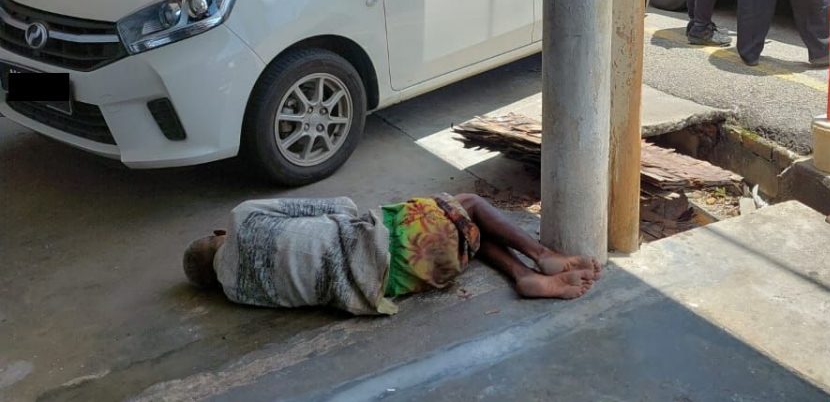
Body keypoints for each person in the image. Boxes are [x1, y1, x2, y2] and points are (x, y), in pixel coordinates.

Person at [183, 192, 600, 315]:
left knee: (463, 230)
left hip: (397, 282)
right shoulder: (242, 218)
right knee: (467, 204)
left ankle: (523, 276)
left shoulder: (238, 293)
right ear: (219, 234)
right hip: (393, 242)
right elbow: (336, 206)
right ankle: (541, 254)